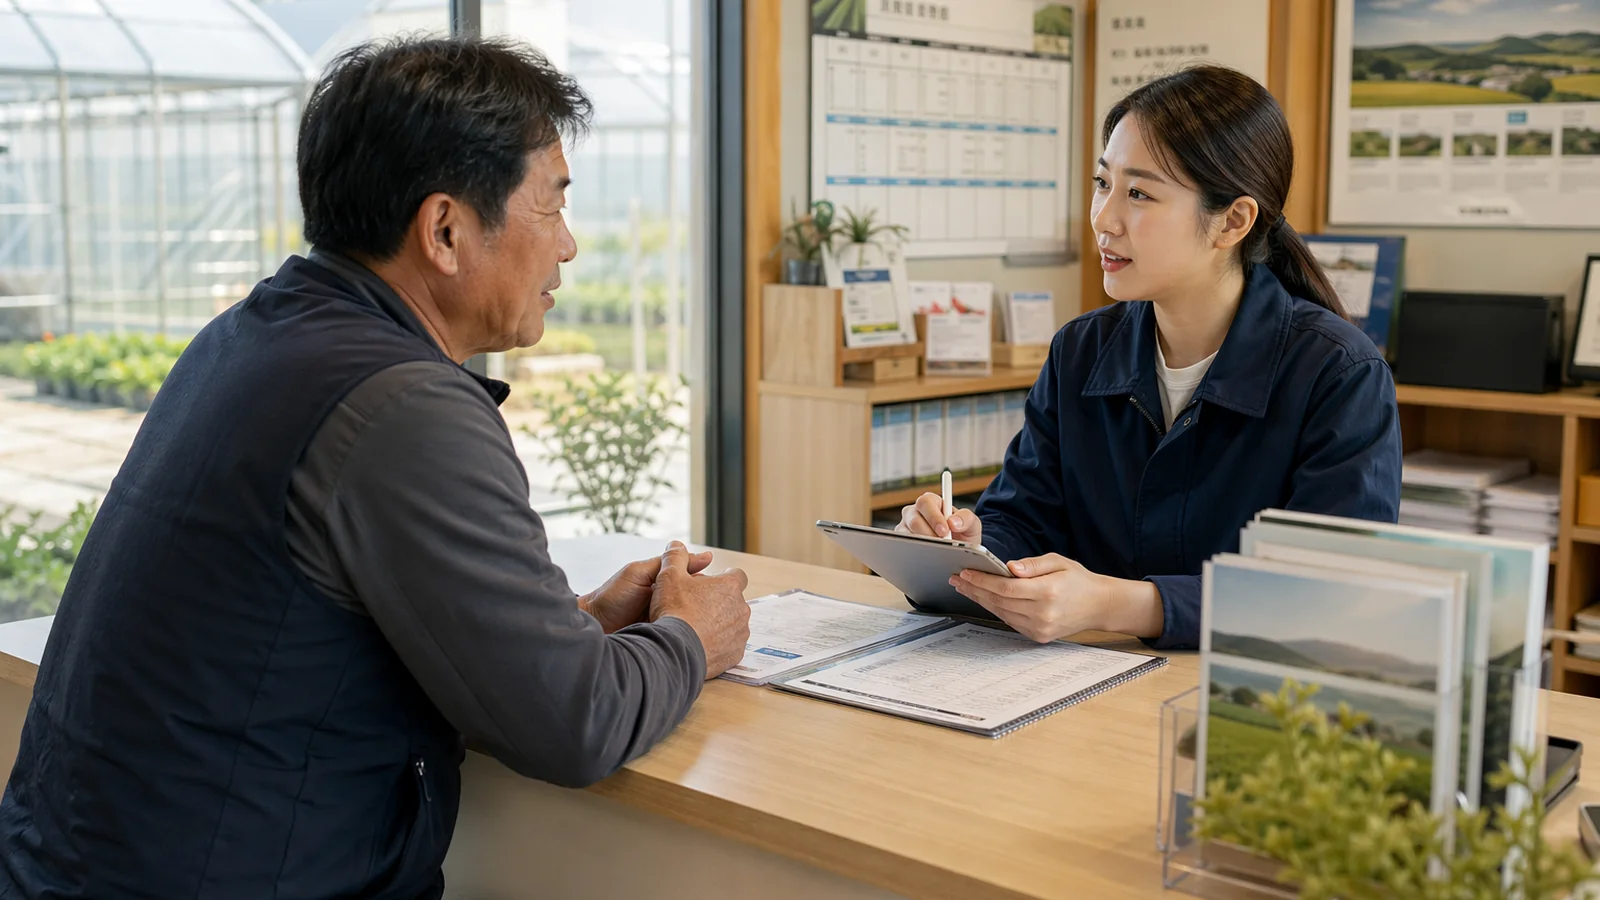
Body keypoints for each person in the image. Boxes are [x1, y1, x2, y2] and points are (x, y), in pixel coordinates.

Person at [0, 36, 751, 900]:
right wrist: (693, 638)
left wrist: (574, 622)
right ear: (443, 230)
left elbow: (312, 626)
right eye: (552, 207)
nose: (570, 248)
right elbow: (571, 726)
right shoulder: (403, 406)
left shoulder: (256, 336)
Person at [899, 65, 1401, 650]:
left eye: (1139, 194)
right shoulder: (1080, 352)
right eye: (1102, 183)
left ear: (1233, 221)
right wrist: (961, 546)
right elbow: (1024, 518)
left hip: (1244, 706)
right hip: (1079, 690)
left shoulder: (1338, 373)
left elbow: (1330, 593)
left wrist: (1125, 604)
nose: (1104, 219)